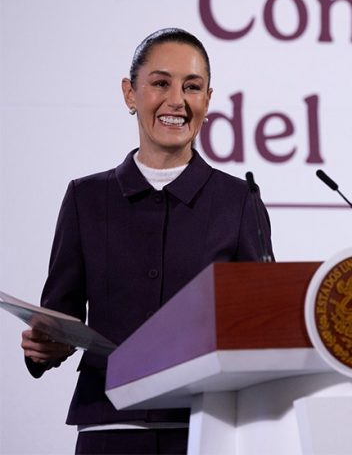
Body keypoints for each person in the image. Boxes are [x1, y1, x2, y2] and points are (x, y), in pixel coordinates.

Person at [20, 28, 273, 454]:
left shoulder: (238, 200)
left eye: (191, 87)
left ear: (207, 100)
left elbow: (264, 324)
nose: (176, 100)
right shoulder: (86, 198)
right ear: (130, 93)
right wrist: (44, 345)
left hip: (206, 428)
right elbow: (59, 314)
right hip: (109, 428)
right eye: (160, 83)